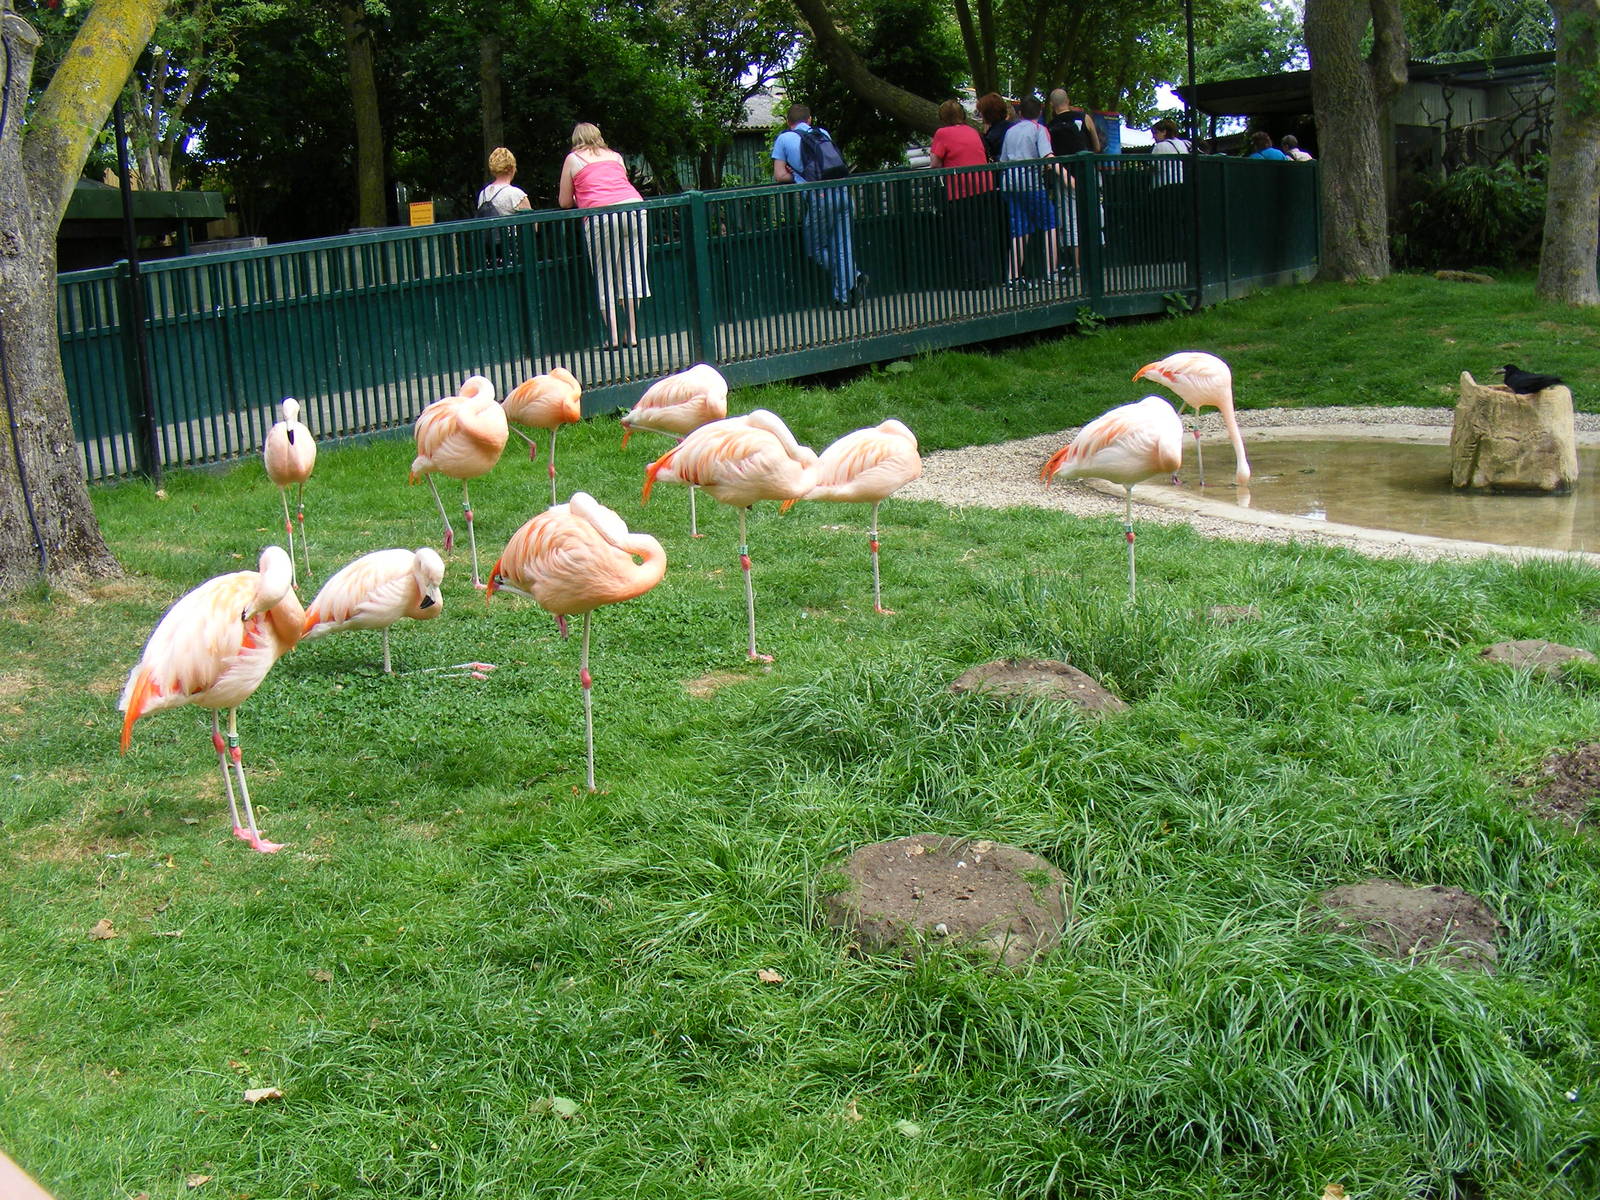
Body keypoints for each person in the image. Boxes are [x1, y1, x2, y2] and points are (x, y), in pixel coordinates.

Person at [558, 123, 651, 348]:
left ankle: (614, 337)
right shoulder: (615, 157)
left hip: (602, 214)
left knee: (605, 275)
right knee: (632, 273)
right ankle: (633, 334)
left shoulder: (573, 159)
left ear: (576, 139)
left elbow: (564, 202)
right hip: (635, 209)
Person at [772, 103, 868, 311]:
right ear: (810, 120)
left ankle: (854, 276)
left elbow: (779, 175)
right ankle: (842, 298)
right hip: (843, 192)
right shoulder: (822, 133)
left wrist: (796, 175)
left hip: (821, 197)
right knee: (842, 246)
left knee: (815, 250)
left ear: (789, 122)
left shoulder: (784, 139)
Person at [929, 99, 997, 288]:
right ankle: (989, 274)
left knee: (965, 235)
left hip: (961, 190)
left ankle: (976, 277)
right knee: (982, 231)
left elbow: (935, 163)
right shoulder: (972, 130)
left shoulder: (942, 133)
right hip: (985, 186)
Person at [998, 95, 1065, 288]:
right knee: (1050, 223)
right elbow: (1047, 156)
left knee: (1019, 228)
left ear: (1020, 113)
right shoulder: (1039, 130)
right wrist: (1067, 177)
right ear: (1041, 111)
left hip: (1010, 183)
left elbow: (1003, 160)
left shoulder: (1010, 131)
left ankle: (1013, 277)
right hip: (1031, 184)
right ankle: (1051, 271)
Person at [1046, 88, 1100, 276]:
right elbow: (1097, 146)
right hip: (1088, 172)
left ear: (1052, 105)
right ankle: (1096, 259)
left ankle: (1076, 265)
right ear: (1068, 100)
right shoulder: (1084, 118)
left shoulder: (1050, 126)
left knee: (1070, 219)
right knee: (1093, 213)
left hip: (1065, 176)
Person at [478, 147, 532, 267]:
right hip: (512, 251)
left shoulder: (483, 194)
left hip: (490, 253)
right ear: (512, 168)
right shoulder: (516, 194)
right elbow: (532, 227)